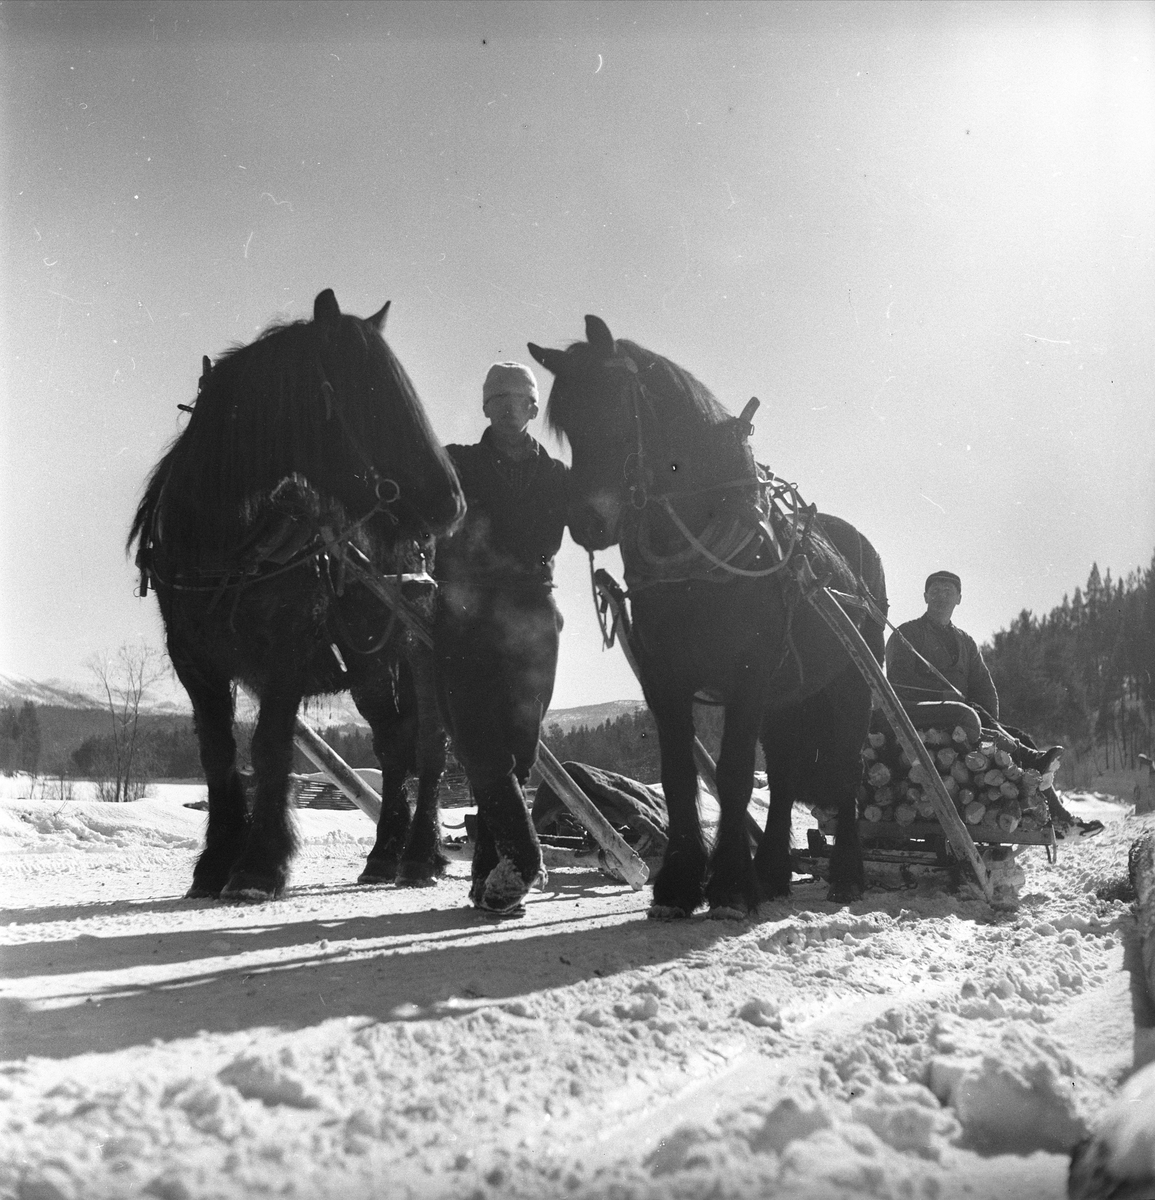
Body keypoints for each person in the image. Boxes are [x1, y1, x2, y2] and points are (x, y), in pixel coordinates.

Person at [434, 361, 570, 912]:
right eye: (499, 397)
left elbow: (592, 525)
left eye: (521, 398)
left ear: (534, 409)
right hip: (467, 617)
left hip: (533, 618)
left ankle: (491, 873)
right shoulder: (455, 465)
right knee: (475, 742)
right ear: (485, 406)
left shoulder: (558, 476)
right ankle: (525, 855)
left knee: (517, 749)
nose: (510, 406)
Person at [885, 570, 1102, 840]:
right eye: (936, 591)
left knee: (1019, 736)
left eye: (948, 592)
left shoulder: (965, 642)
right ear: (925, 596)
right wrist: (942, 695)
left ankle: (1058, 818)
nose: (942, 597)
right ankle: (1041, 782)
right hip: (921, 715)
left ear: (959, 599)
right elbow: (897, 681)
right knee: (973, 716)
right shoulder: (907, 634)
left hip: (962, 719)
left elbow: (984, 688)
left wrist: (989, 721)